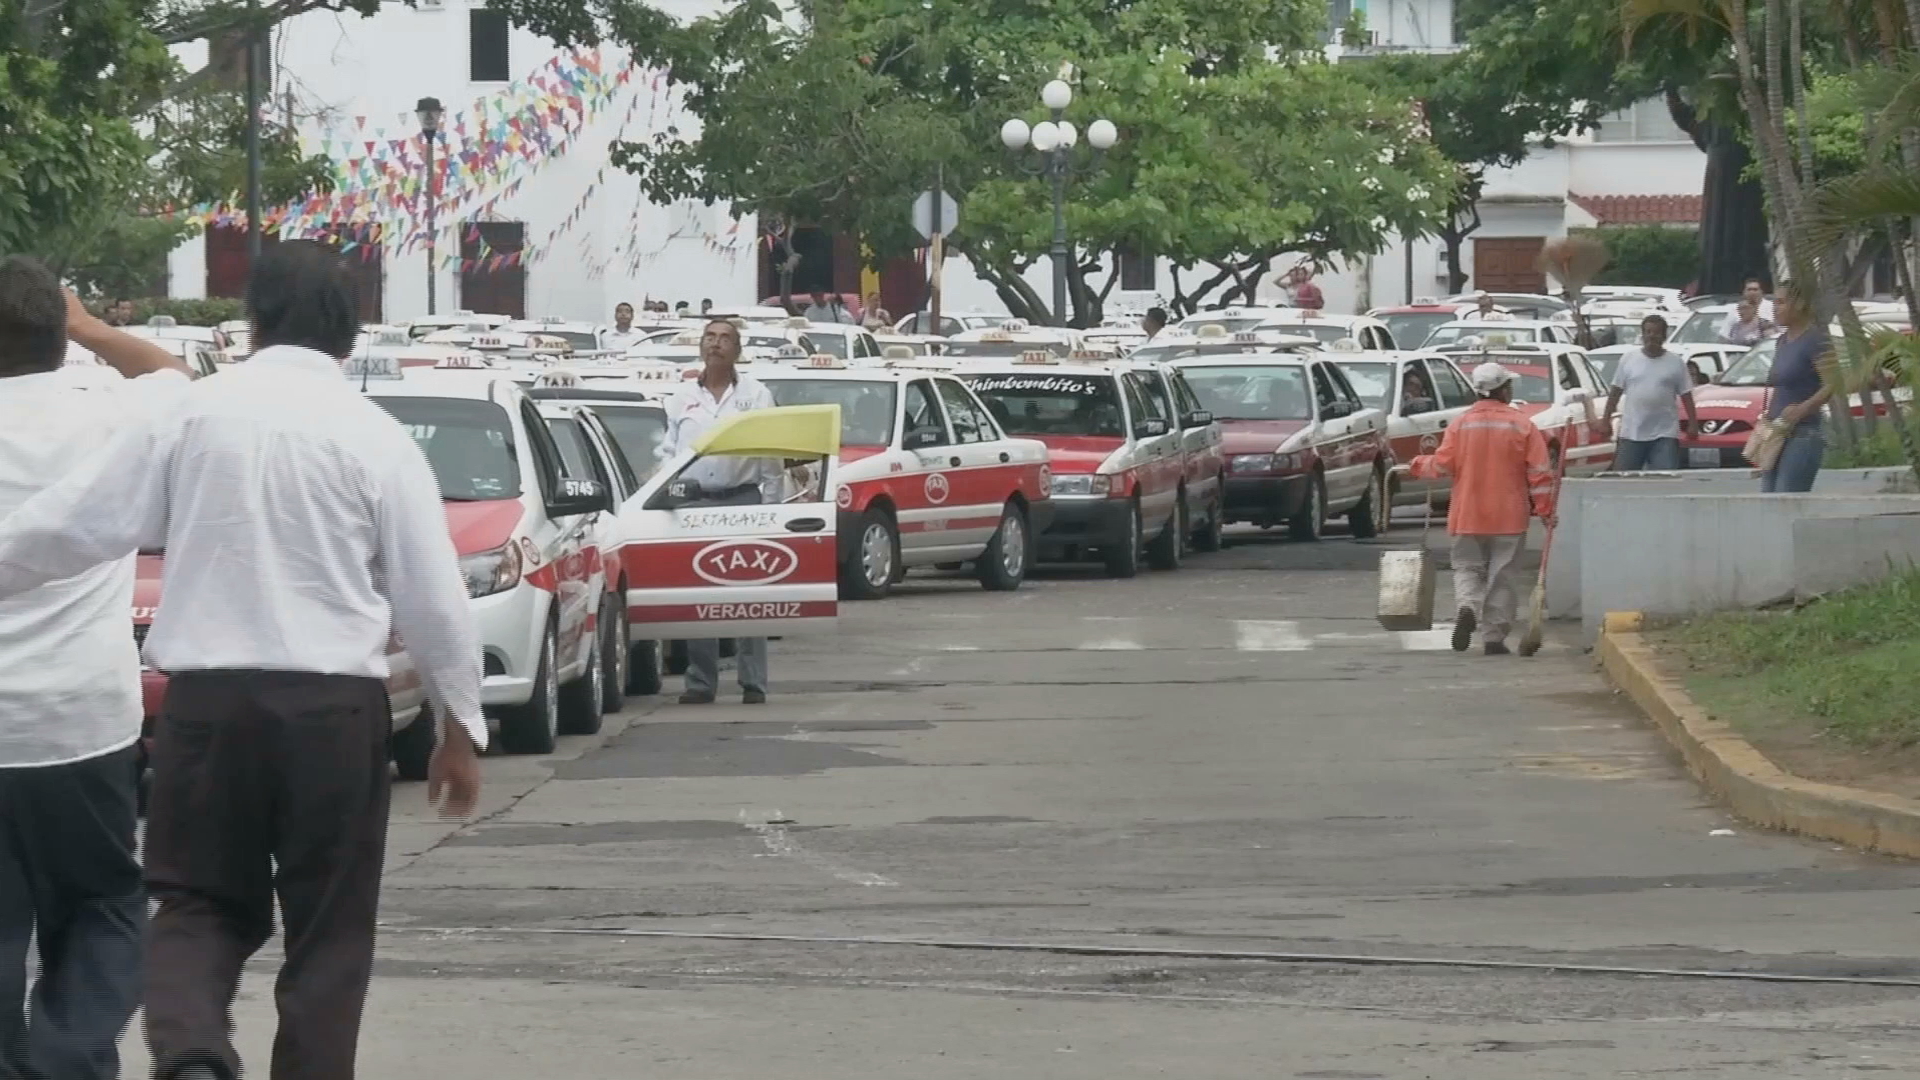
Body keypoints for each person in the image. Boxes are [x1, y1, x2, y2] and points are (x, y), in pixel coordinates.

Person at [0, 241, 486, 1080]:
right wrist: (459, 724)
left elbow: (71, 528)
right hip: (332, 714)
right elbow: (433, 596)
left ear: (252, 319)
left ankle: (190, 1050)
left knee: (194, 902)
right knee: (329, 931)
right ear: (351, 331)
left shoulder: (189, 416)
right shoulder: (376, 438)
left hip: (207, 709)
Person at [0, 259, 192, 1080]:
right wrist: (91, 327)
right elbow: (173, 372)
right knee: (107, 908)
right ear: (55, 333)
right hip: (83, 723)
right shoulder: (110, 411)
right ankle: (68, 1056)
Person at [660, 319, 777, 705]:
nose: (716, 344)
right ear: (701, 347)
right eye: (710, 338)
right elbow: (668, 454)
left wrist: (772, 511)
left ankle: (753, 682)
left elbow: (771, 456)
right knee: (700, 594)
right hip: (694, 503)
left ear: (738, 350)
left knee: (749, 593)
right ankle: (701, 683)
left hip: (743, 501)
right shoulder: (680, 397)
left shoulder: (757, 396)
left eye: (725, 339)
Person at [1409, 362, 1556, 656]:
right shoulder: (1522, 424)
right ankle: (1493, 638)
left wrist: (1416, 465)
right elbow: (1540, 473)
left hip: (1468, 513)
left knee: (1467, 568)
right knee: (1502, 576)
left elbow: (1441, 465)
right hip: (1508, 515)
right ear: (1502, 390)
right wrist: (1546, 510)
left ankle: (1468, 606)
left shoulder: (1460, 424)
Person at [1602, 314, 1699, 471]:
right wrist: (1605, 420)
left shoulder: (1676, 362)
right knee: (1623, 480)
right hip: (1632, 432)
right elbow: (1615, 392)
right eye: (1647, 332)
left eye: (1656, 333)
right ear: (1642, 334)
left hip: (1664, 433)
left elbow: (1686, 395)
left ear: (1664, 336)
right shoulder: (1628, 359)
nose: (1651, 336)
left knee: (1665, 479)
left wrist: (1693, 424)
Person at [1761, 282, 1833, 492]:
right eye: (1774, 302)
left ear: (1799, 304)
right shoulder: (1782, 341)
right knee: (1767, 496)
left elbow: (1833, 383)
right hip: (1777, 430)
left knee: (1787, 495)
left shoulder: (1815, 340)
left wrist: (1804, 408)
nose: (1775, 308)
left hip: (1803, 433)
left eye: (1781, 302)